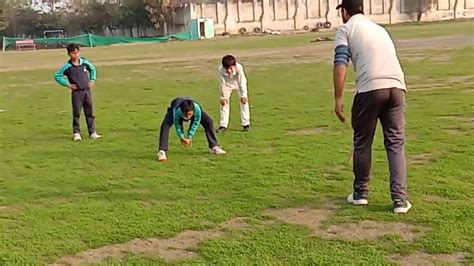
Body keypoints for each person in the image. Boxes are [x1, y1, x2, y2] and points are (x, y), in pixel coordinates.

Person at [333, 0, 411, 213]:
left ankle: (360, 193)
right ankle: (400, 200)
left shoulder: (345, 29)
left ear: (345, 12)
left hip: (371, 88)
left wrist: (338, 98)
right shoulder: (379, 29)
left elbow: (340, 64)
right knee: (395, 144)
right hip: (397, 86)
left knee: (362, 141)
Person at [54, 43, 101, 141]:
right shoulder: (67, 66)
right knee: (77, 113)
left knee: (90, 112)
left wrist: (92, 79)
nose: (75, 55)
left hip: (87, 91)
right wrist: (67, 84)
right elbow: (57, 76)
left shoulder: (84, 63)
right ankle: (76, 133)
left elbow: (92, 69)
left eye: (77, 52)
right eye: (73, 53)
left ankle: (92, 132)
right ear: (69, 54)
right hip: (77, 93)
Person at [157, 97, 226, 161]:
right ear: (182, 112)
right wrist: (182, 137)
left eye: (189, 114)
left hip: (193, 109)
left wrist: (190, 136)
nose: (187, 117)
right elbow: (178, 125)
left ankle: (214, 147)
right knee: (165, 125)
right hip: (176, 104)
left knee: (209, 122)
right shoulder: (177, 111)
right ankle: (162, 151)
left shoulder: (197, 109)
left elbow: (195, 123)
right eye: (185, 115)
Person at [216, 55, 251, 132]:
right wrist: (223, 97)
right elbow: (222, 84)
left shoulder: (239, 68)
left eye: (231, 68)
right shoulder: (220, 69)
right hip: (227, 85)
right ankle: (223, 125)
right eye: (227, 69)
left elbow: (242, 82)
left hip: (238, 84)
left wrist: (243, 95)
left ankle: (246, 124)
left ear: (234, 66)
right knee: (224, 104)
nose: (229, 71)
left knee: (244, 102)